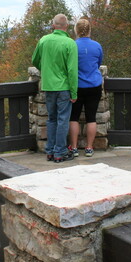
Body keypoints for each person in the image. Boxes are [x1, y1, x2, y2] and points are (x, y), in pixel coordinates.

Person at [32, 14, 78, 163]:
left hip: (48, 86)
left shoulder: (44, 40)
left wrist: (46, 71)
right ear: (66, 27)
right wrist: (74, 92)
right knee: (63, 120)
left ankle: (50, 151)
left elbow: (35, 60)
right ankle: (60, 152)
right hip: (64, 87)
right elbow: (72, 70)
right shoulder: (70, 43)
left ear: (53, 25)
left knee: (51, 119)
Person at [68, 18, 103, 157]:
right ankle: (89, 148)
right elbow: (99, 63)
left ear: (76, 30)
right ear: (90, 30)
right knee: (91, 117)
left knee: (74, 117)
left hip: (77, 86)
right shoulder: (97, 46)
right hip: (94, 85)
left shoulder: (72, 46)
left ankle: (74, 148)